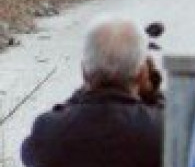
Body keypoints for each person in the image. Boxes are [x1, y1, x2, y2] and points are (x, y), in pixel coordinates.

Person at [21, 16, 162, 167]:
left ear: (84, 72)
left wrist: (85, 93)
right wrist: (153, 95)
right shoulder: (165, 131)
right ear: (142, 74)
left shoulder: (48, 131)